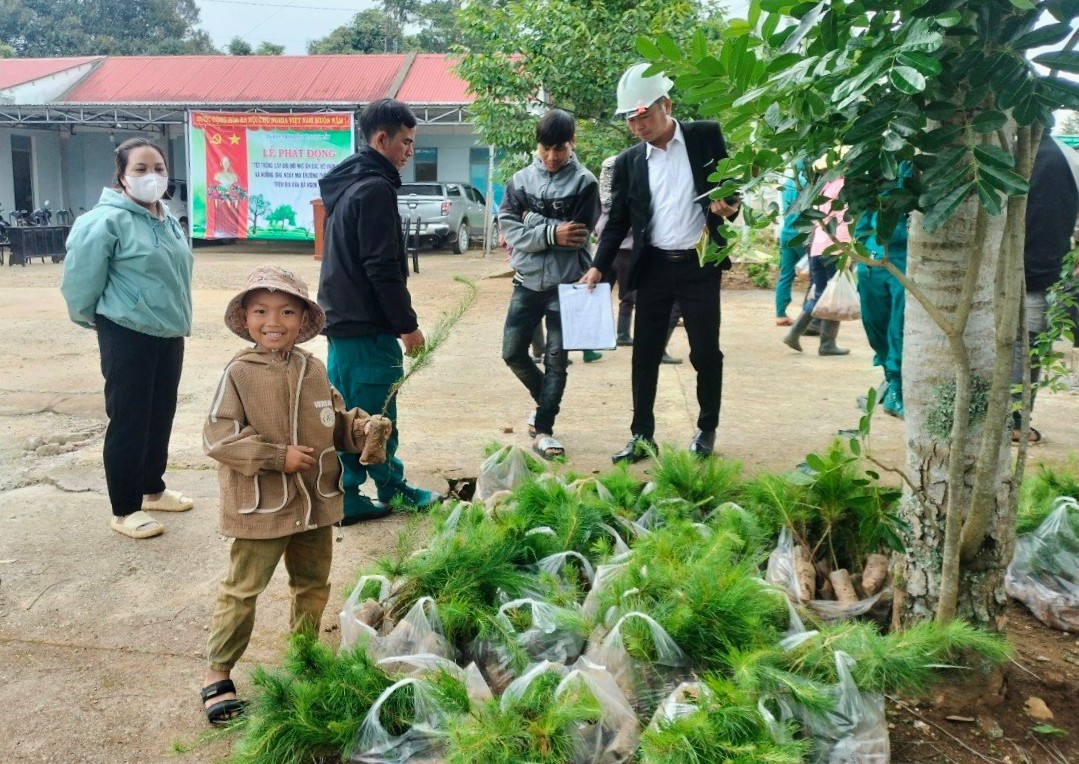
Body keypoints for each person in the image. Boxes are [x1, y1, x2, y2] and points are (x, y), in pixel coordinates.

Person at [200, 265, 390, 725]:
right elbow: (218, 437)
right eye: (261, 310)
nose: (274, 321)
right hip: (261, 508)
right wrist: (273, 455)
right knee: (243, 589)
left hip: (316, 502)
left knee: (312, 585)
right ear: (245, 318)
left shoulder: (314, 369)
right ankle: (217, 673)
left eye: (287, 311)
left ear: (303, 320)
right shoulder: (239, 373)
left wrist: (363, 430)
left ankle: (302, 657)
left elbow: (335, 421)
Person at [582, 63, 740, 462]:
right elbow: (616, 220)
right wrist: (599, 265)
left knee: (706, 351)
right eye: (631, 120)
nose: (639, 127)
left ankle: (706, 428)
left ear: (665, 105)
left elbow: (731, 190)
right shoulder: (629, 162)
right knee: (644, 353)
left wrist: (730, 207)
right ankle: (642, 435)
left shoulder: (705, 136)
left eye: (644, 116)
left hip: (698, 264)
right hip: (652, 266)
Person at [61, 137, 194, 539]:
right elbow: (80, 284)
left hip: (168, 330)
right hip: (126, 330)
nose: (152, 176)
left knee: (160, 412)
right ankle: (124, 508)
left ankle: (152, 487)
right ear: (121, 176)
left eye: (158, 168)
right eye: (140, 169)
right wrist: (100, 322)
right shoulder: (104, 221)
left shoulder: (164, 216)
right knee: (130, 418)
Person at [317, 98, 438, 523]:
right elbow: (382, 268)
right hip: (367, 328)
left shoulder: (349, 183)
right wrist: (407, 326)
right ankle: (390, 489)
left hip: (343, 326)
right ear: (381, 139)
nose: (409, 152)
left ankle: (348, 493)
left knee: (348, 413)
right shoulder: (374, 188)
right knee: (377, 417)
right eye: (405, 143)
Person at [499, 109, 600, 460]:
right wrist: (550, 231)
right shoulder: (519, 180)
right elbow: (509, 228)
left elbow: (578, 234)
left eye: (560, 148)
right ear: (538, 145)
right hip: (526, 281)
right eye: (546, 148)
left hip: (568, 284)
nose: (552, 156)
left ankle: (544, 429)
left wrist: (532, 220)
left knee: (557, 361)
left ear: (572, 143)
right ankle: (546, 404)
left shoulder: (586, 182)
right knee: (512, 353)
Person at [1010, 136, 1079, 444]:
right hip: (1043, 272)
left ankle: (1010, 420)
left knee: (1020, 347)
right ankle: (1015, 421)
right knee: (1026, 349)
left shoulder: (998, 146)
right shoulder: (1066, 157)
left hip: (1008, 273)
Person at [597, 155, 683, 363]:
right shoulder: (631, 196)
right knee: (629, 296)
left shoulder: (605, 201)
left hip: (606, 250)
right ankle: (624, 335)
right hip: (625, 251)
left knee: (600, 294)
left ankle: (599, 338)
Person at [855, 168, 910, 419]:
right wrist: (861, 251)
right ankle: (888, 379)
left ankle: (897, 387)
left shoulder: (917, 162)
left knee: (898, 326)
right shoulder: (876, 163)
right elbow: (863, 210)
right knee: (874, 324)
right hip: (872, 258)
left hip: (904, 257)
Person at [781, 175, 851, 356]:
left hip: (817, 246)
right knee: (833, 298)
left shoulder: (823, 185)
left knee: (819, 295)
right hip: (835, 246)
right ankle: (827, 344)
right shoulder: (847, 185)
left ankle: (794, 333)